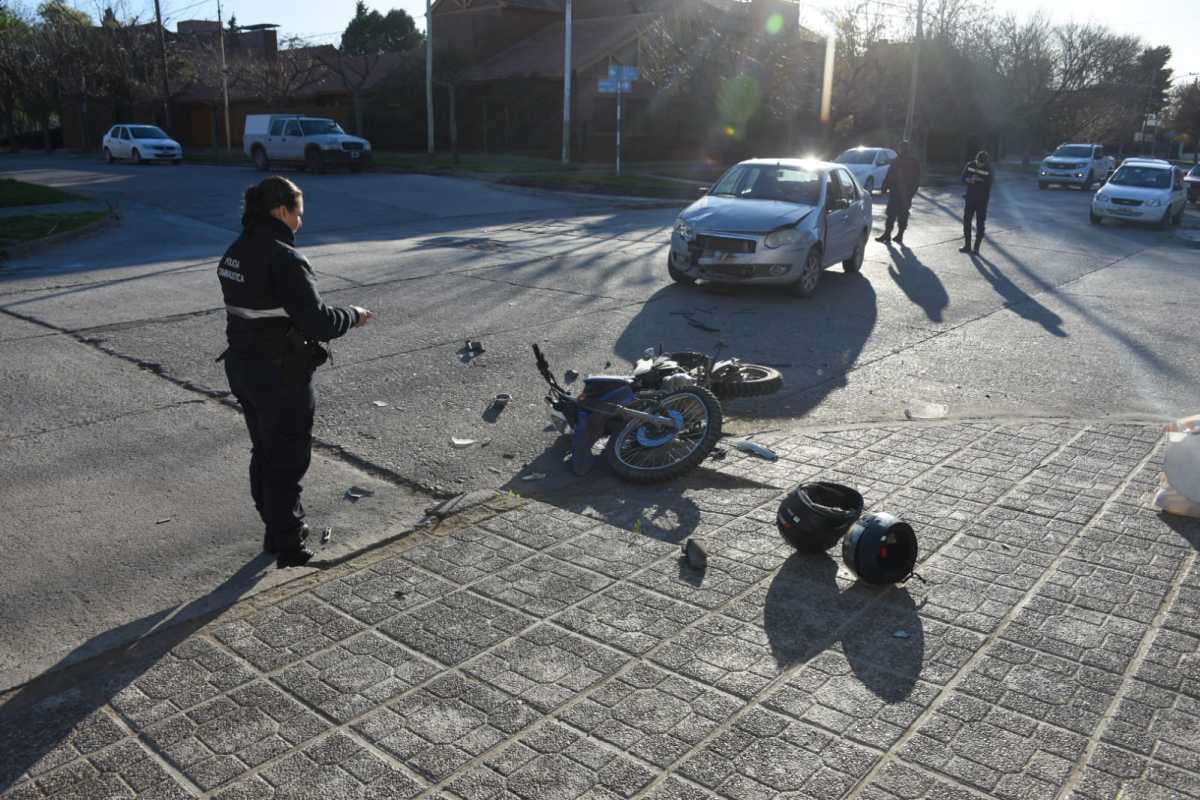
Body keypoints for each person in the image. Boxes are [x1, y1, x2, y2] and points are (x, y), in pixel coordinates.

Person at [217, 176, 373, 568]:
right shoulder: (284, 257)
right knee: (287, 458)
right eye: (298, 214)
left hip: (243, 367)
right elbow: (317, 321)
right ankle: (288, 544)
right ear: (280, 211)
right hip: (280, 374)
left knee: (265, 451)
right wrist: (352, 316)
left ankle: (273, 530)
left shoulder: (236, 251)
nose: (300, 222)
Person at [875, 141, 921, 246]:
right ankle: (888, 234)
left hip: (905, 193)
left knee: (901, 214)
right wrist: (884, 187)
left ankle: (899, 235)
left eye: (902, 148)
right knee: (892, 214)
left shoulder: (913, 162)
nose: (901, 150)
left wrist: (911, 193)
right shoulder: (896, 161)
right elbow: (890, 175)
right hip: (896, 192)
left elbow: (916, 179)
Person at [960, 150, 994, 254]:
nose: (979, 165)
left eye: (981, 164)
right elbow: (962, 178)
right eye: (978, 162)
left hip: (982, 200)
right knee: (967, 222)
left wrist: (979, 179)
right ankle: (967, 246)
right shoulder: (970, 165)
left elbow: (990, 183)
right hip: (970, 198)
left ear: (985, 162)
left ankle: (976, 247)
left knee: (980, 223)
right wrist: (968, 180)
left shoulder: (989, 169)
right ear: (976, 159)